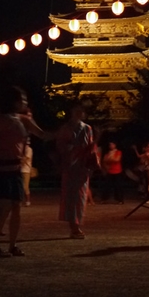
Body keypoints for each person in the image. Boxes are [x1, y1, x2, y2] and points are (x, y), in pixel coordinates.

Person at [0, 87, 52, 258]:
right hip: (2, 168)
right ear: (12, 101)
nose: (25, 102)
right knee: (5, 207)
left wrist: (64, 132)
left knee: (16, 208)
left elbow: (42, 135)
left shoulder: (23, 119)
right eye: (22, 98)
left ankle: (12, 246)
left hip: (16, 169)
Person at [57, 102, 95, 240]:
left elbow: (90, 148)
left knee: (80, 197)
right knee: (71, 197)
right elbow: (60, 146)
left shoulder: (87, 128)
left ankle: (76, 225)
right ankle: (74, 226)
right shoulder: (66, 128)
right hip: (70, 166)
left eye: (81, 111)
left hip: (82, 166)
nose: (79, 114)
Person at [20, 138, 33, 207]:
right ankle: (22, 200)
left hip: (26, 170)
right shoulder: (22, 150)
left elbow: (26, 159)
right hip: (21, 170)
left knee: (25, 187)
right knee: (21, 186)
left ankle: (28, 200)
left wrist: (19, 162)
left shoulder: (29, 150)